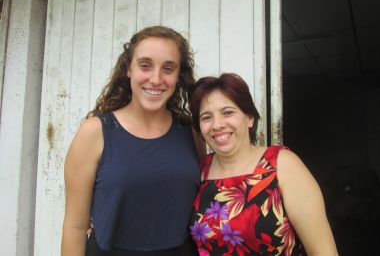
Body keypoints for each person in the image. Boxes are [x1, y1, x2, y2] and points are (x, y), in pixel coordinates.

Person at [61, 26, 204, 256]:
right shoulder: (95, 132)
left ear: (178, 76)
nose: (156, 79)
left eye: (168, 68)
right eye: (145, 65)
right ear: (129, 69)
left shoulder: (191, 132)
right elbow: (75, 227)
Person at [189, 73, 338, 256]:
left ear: (249, 117)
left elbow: (323, 252)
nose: (217, 125)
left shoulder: (281, 164)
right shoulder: (197, 171)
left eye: (228, 112)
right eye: (206, 117)